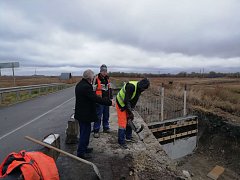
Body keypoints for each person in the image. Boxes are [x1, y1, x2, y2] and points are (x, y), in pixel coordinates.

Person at [74, 69, 114, 159]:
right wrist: (109, 102)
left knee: (85, 132)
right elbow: (95, 98)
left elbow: (88, 98)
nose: (93, 78)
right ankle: (81, 152)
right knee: (85, 132)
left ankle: (84, 147)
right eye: (92, 77)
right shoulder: (86, 87)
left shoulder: (80, 84)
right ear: (90, 78)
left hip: (81, 113)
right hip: (84, 115)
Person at [116, 78, 150, 149]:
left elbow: (135, 99)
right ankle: (121, 141)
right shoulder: (131, 87)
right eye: (143, 89)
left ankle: (128, 137)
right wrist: (129, 112)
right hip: (121, 103)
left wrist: (131, 110)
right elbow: (126, 100)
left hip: (126, 104)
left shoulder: (139, 89)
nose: (143, 90)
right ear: (141, 86)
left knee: (129, 120)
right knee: (123, 123)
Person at [92, 64, 113, 138]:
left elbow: (110, 89)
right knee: (98, 115)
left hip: (106, 100)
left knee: (106, 115)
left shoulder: (107, 79)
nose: (104, 72)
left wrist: (111, 98)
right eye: (103, 71)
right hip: (99, 101)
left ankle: (106, 127)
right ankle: (96, 130)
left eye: (105, 71)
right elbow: (93, 90)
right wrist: (95, 100)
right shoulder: (96, 78)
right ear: (100, 71)